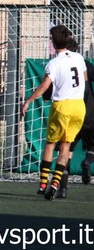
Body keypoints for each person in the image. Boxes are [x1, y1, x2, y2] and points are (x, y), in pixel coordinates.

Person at [21, 25, 87, 200]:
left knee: (51, 144)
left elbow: (44, 86)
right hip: (79, 107)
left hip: (62, 107)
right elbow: (85, 78)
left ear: (52, 41)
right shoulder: (79, 57)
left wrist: (28, 100)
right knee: (66, 147)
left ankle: (43, 184)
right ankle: (56, 183)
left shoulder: (54, 63)